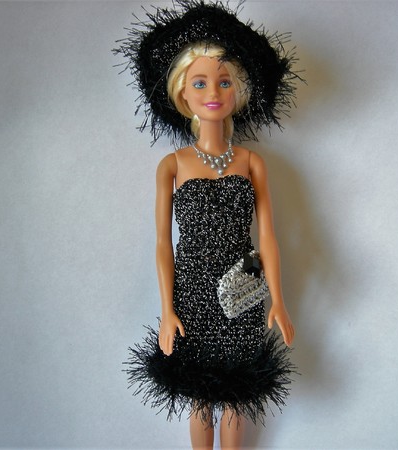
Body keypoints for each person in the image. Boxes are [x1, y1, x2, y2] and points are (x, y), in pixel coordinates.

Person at [114, 2, 302, 448]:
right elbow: (164, 244)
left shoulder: (252, 162)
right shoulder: (172, 165)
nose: (213, 91)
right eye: (200, 82)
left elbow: (268, 235)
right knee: (200, 393)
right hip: (193, 288)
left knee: (237, 394)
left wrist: (278, 299)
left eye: (224, 81)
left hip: (244, 286)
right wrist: (167, 310)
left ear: (238, 90)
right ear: (183, 92)